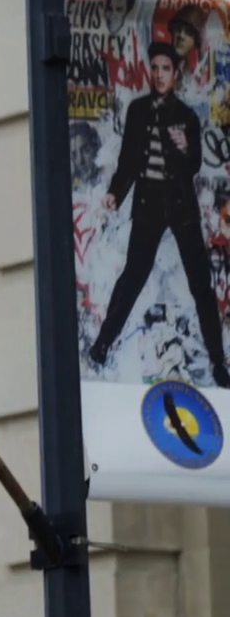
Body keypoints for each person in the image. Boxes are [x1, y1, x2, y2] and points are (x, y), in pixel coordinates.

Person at [89, 42, 230, 386]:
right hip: (149, 204)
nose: (158, 75)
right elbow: (127, 163)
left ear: (175, 73)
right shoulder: (138, 111)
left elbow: (194, 163)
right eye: (154, 68)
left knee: (201, 284)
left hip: (180, 206)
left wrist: (183, 148)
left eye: (165, 69)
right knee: (132, 278)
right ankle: (102, 345)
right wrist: (114, 194)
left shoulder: (186, 115)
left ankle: (218, 361)